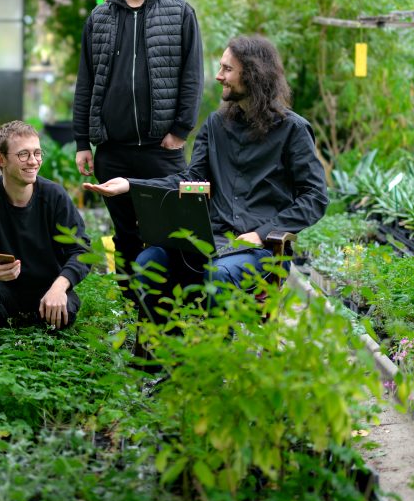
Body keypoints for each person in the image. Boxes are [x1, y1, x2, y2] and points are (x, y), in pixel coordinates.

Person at [84, 35, 329, 318]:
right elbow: (190, 181)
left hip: (261, 252)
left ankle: (212, 359)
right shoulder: (216, 125)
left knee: (219, 276)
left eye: (227, 69)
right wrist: (130, 184)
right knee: (148, 263)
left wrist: (261, 235)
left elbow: (315, 198)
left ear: (252, 74)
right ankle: (159, 355)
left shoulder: (294, 131)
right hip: (208, 243)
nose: (218, 76)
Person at [72, 0, 204, 283]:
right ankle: (134, 312)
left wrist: (180, 130)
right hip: (113, 151)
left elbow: (192, 77)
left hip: (161, 152)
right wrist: (83, 142)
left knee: (171, 234)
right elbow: (86, 82)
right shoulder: (99, 18)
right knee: (126, 236)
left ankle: (169, 314)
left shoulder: (178, 13)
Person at [0, 121, 91, 338]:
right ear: (0, 159)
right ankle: (5, 342)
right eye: (23, 154)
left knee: (66, 310)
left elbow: (82, 252)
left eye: (37, 153)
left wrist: (59, 288)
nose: (33, 161)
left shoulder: (55, 196)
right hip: (7, 291)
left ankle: (40, 337)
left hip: (49, 291)